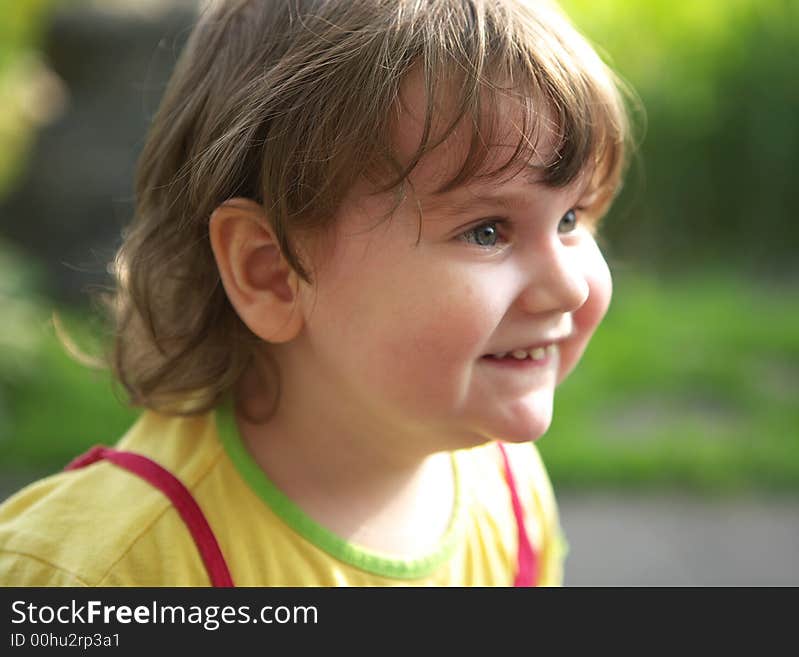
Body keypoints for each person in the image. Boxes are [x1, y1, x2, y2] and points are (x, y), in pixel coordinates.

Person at [0, 0, 632, 586]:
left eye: (572, 218)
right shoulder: (112, 571)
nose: (569, 287)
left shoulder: (510, 493)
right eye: (487, 231)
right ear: (272, 272)